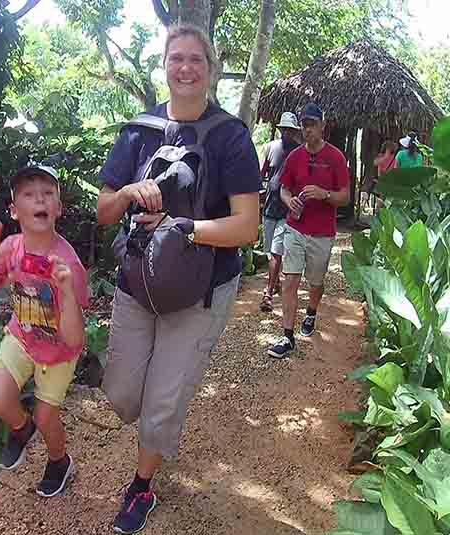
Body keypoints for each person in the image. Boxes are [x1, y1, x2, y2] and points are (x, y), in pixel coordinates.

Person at [96, 24, 261, 534]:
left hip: (202, 289)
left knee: (163, 402)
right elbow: (103, 211)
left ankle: (142, 485)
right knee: (122, 394)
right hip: (137, 282)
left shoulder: (231, 137)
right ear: (164, 67)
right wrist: (129, 194)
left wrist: (181, 228)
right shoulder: (137, 131)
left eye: (196, 60)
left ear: (210, 70)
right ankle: (153, 425)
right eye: (176, 59)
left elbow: (247, 226)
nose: (186, 68)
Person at [0, 165, 89, 497]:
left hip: (59, 351)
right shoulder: (11, 248)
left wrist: (64, 291)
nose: (40, 200)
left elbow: (76, 339)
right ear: (14, 210)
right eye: (30, 195)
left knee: (48, 418)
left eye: (48, 193)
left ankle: (59, 461)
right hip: (21, 337)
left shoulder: (69, 265)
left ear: (58, 208)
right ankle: (22, 428)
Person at [267, 103, 349, 359]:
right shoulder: (295, 157)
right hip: (295, 227)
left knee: (315, 282)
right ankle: (287, 336)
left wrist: (324, 195)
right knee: (290, 279)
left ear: (323, 126)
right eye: (304, 124)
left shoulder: (336, 157)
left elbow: (345, 197)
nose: (308, 129)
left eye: (312, 124)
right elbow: (283, 188)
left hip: (322, 233)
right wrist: (288, 200)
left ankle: (311, 311)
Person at [259, 112, 301, 312]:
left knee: (276, 251)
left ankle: (267, 293)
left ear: (293, 132)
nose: (286, 132)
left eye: (289, 130)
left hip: (287, 210)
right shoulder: (270, 148)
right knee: (269, 251)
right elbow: (261, 173)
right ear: (281, 130)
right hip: (269, 207)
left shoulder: (300, 152)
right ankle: (275, 282)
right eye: (284, 129)